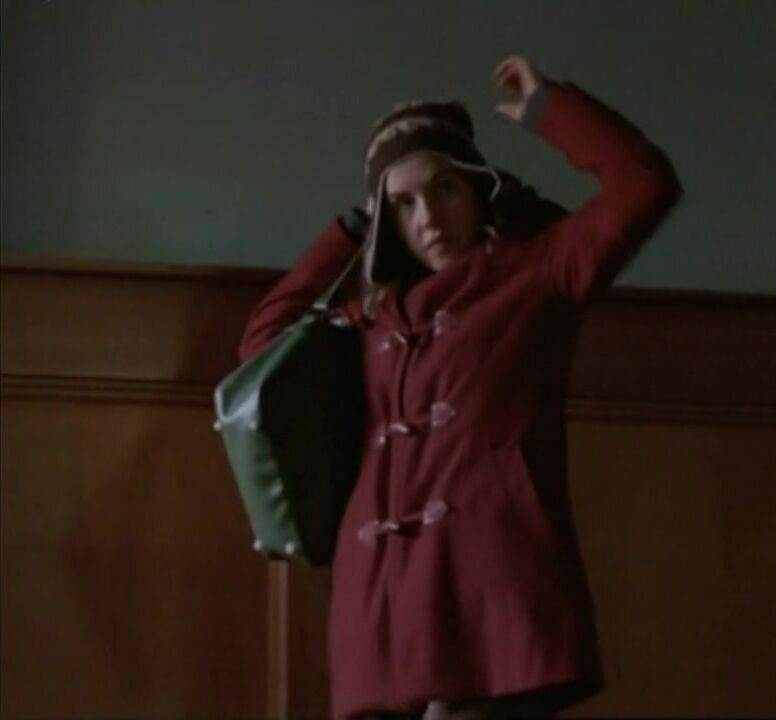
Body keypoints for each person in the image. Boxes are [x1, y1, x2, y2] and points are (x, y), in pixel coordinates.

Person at [237, 55, 681, 719]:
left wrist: (549, 109)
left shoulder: (539, 273)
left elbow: (643, 185)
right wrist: (350, 231)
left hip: (489, 592)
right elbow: (261, 347)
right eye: (403, 204)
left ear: (477, 191)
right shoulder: (371, 318)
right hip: (380, 602)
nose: (428, 217)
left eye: (444, 188)